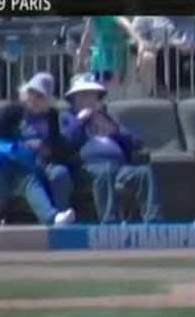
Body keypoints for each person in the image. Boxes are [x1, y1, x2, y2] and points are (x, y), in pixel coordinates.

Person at [61, 73, 160, 223]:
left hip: (119, 168)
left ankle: (154, 221)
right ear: (74, 99)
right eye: (83, 95)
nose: (89, 100)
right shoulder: (67, 118)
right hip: (88, 168)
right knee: (106, 170)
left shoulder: (106, 117)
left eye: (92, 96)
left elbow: (137, 142)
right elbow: (66, 142)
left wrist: (115, 132)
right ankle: (110, 222)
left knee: (144, 172)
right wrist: (80, 121)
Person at [0, 72, 77, 226]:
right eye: (30, 92)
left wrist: (46, 147)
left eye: (39, 96)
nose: (33, 99)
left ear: (48, 100)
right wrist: (20, 145)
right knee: (29, 178)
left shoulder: (52, 116)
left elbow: (60, 145)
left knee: (60, 173)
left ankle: (63, 214)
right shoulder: (14, 112)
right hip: (17, 163)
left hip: (44, 162)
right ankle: (51, 218)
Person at [133, 15, 195, 96]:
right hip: (163, 60)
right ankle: (154, 96)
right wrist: (160, 46)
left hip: (192, 58)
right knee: (155, 55)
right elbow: (135, 41)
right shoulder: (144, 17)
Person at [74, 15, 145, 90]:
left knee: (112, 87)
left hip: (115, 57)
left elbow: (126, 25)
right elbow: (87, 35)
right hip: (100, 57)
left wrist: (139, 42)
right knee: (99, 86)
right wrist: (80, 58)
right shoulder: (94, 18)